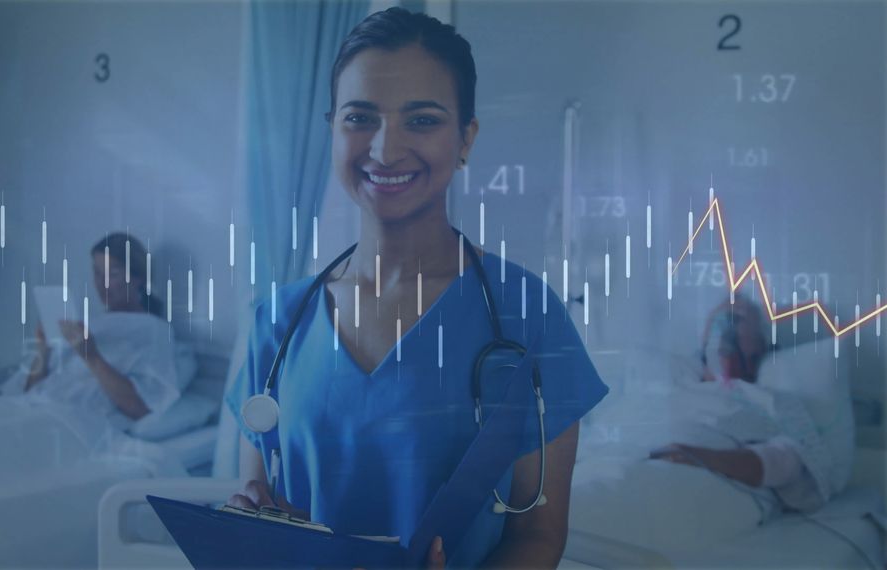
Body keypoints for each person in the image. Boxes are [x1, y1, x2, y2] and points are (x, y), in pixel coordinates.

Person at [223, 8, 608, 568]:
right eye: (360, 118)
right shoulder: (278, 322)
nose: (384, 148)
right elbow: (261, 504)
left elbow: (538, 537)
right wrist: (254, 522)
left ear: (465, 138)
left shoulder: (527, 316)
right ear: (332, 129)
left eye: (422, 120)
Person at [651, 295, 850, 512]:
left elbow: (793, 462)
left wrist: (707, 459)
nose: (729, 327)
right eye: (722, 319)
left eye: (740, 322)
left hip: (685, 480)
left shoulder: (772, 400)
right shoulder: (669, 384)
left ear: (761, 349)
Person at [1, 232, 183, 429]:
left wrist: (92, 357)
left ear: (138, 278)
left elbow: (140, 408)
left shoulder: (154, 330)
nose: (101, 284)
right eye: (97, 273)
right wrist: (43, 349)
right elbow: (29, 392)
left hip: (64, 423)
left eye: (113, 274)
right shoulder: (87, 325)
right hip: (25, 412)